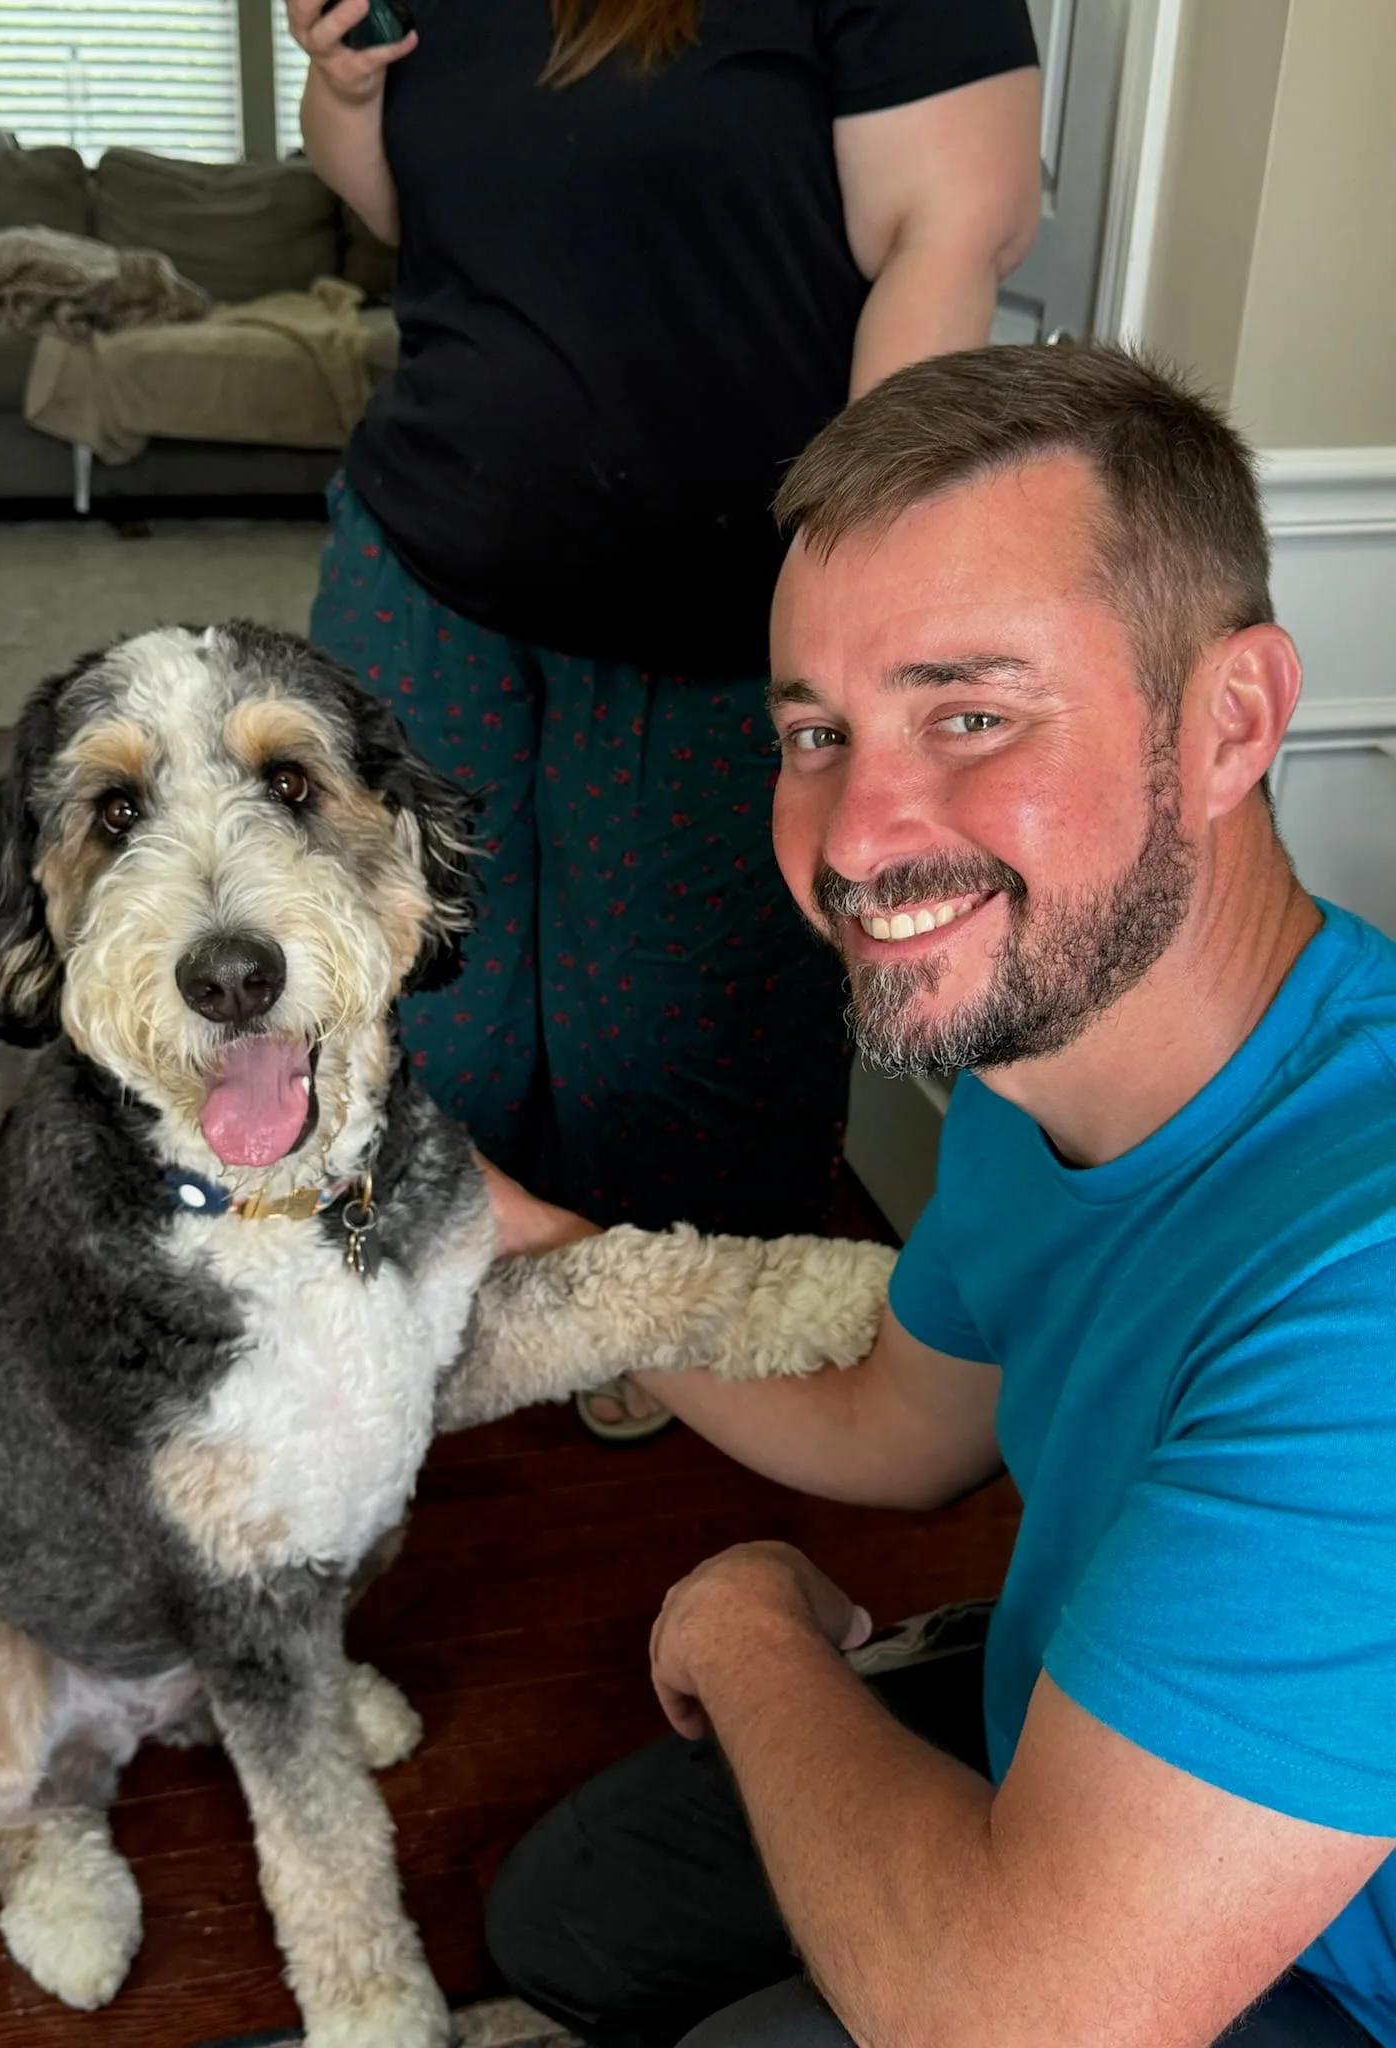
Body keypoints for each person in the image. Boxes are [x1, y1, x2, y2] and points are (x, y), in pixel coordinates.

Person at [475, 343, 1396, 2046]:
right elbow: (904, 1427)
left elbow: (1006, 2019)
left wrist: (756, 1627)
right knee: (572, 1920)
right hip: (1082, 1740)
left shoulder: (1367, 1291)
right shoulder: (1031, 1051)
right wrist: (544, 1256)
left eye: (970, 714)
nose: (857, 834)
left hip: (1322, 1976)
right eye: (818, 731)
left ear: (1232, 722)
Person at [284, 0, 1041, 1433]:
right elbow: (407, 209)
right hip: (426, 551)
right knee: (409, 981)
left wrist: (865, 566)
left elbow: (948, 231)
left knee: (675, 1028)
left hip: (723, 605)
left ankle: (660, 1332)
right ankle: (414, 1307)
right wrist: (344, 93)